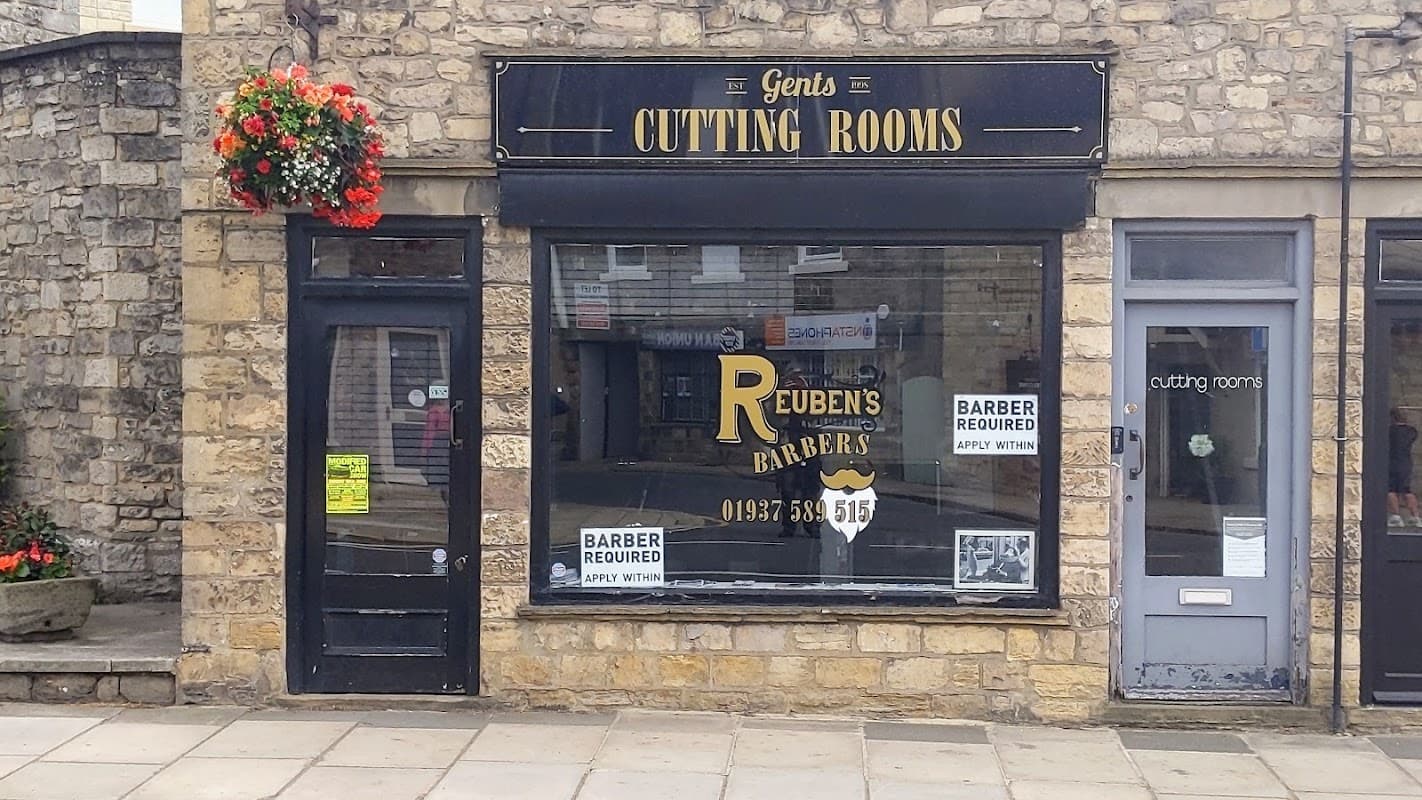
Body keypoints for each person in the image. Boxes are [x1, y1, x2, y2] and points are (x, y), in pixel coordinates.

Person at [1389, 407, 1421, 527]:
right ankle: (1415, 516)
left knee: (1390, 489)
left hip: (1392, 462)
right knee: (1406, 489)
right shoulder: (1412, 431)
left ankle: (1396, 516)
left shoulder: (1390, 431)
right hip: (1406, 462)